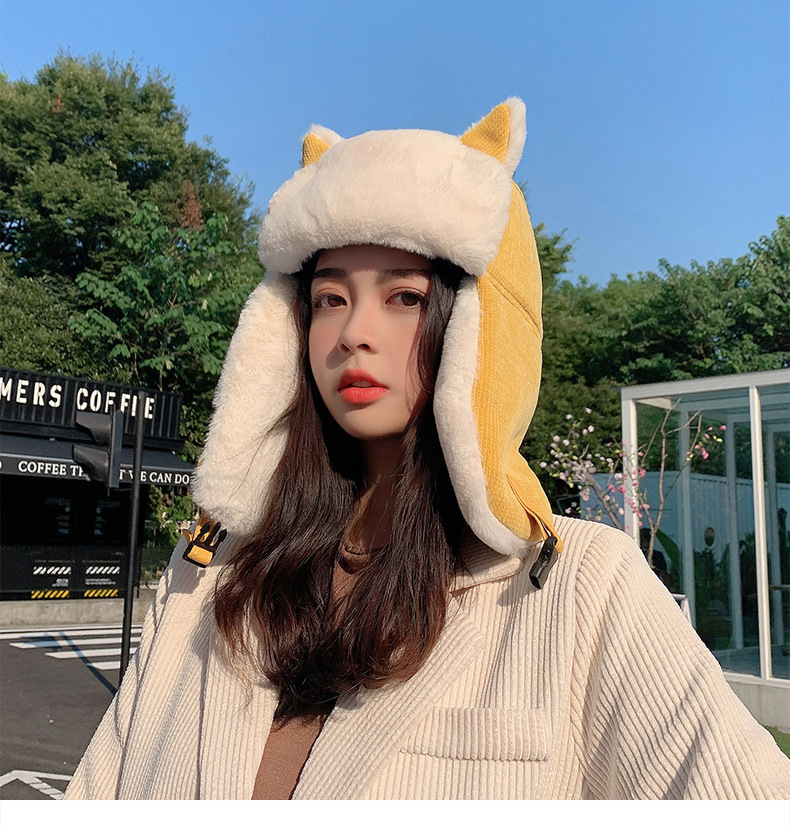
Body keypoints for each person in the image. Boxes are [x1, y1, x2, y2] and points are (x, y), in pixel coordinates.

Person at [64, 99, 790, 800]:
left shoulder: (584, 589)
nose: (353, 333)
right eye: (329, 299)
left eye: (405, 297)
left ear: (478, 323)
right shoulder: (210, 573)